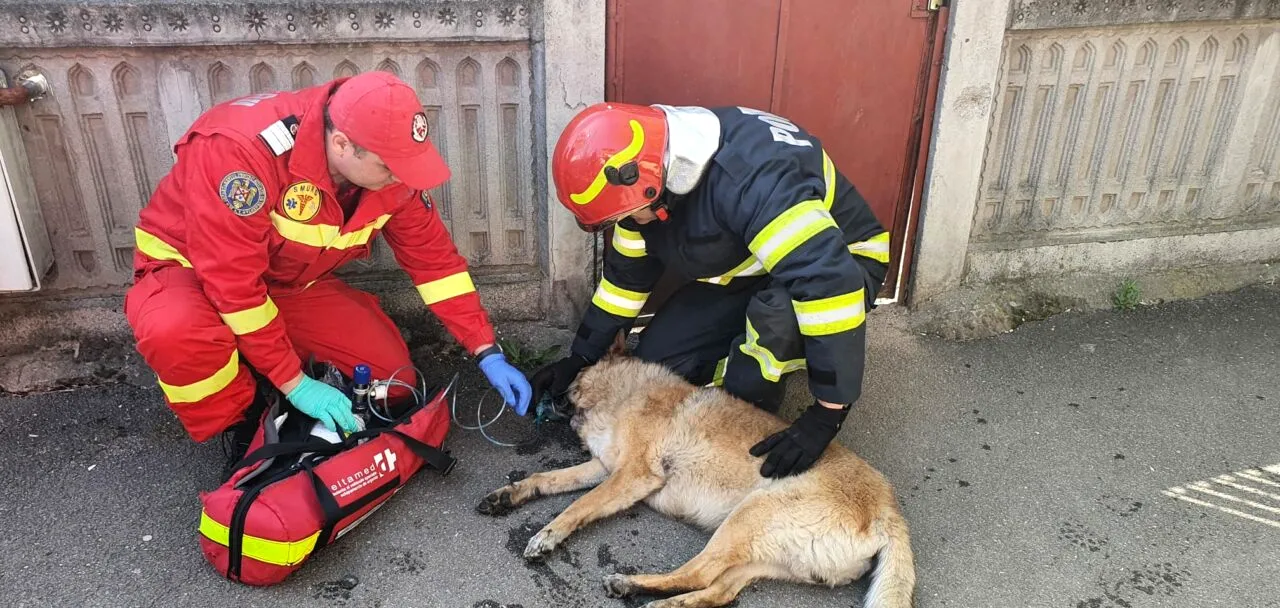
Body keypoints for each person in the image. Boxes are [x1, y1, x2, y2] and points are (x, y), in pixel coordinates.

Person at [125, 71, 531, 458]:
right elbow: (233, 288)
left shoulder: (387, 168)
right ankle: (244, 425)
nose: (399, 179)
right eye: (389, 167)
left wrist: (486, 350)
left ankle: (264, 366)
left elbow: (436, 264)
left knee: (394, 383)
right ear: (341, 145)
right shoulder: (241, 154)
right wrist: (294, 383)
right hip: (190, 272)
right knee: (178, 333)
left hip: (286, 283)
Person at [532, 102, 889, 479]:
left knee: (774, 324)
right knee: (659, 362)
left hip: (844, 264)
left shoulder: (751, 179)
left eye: (626, 216)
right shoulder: (647, 182)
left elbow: (827, 283)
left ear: (653, 183)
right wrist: (580, 358)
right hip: (755, 267)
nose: (626, 224)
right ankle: (743, 353)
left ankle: (755, 395)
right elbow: (624, 283)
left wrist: (827, 414)